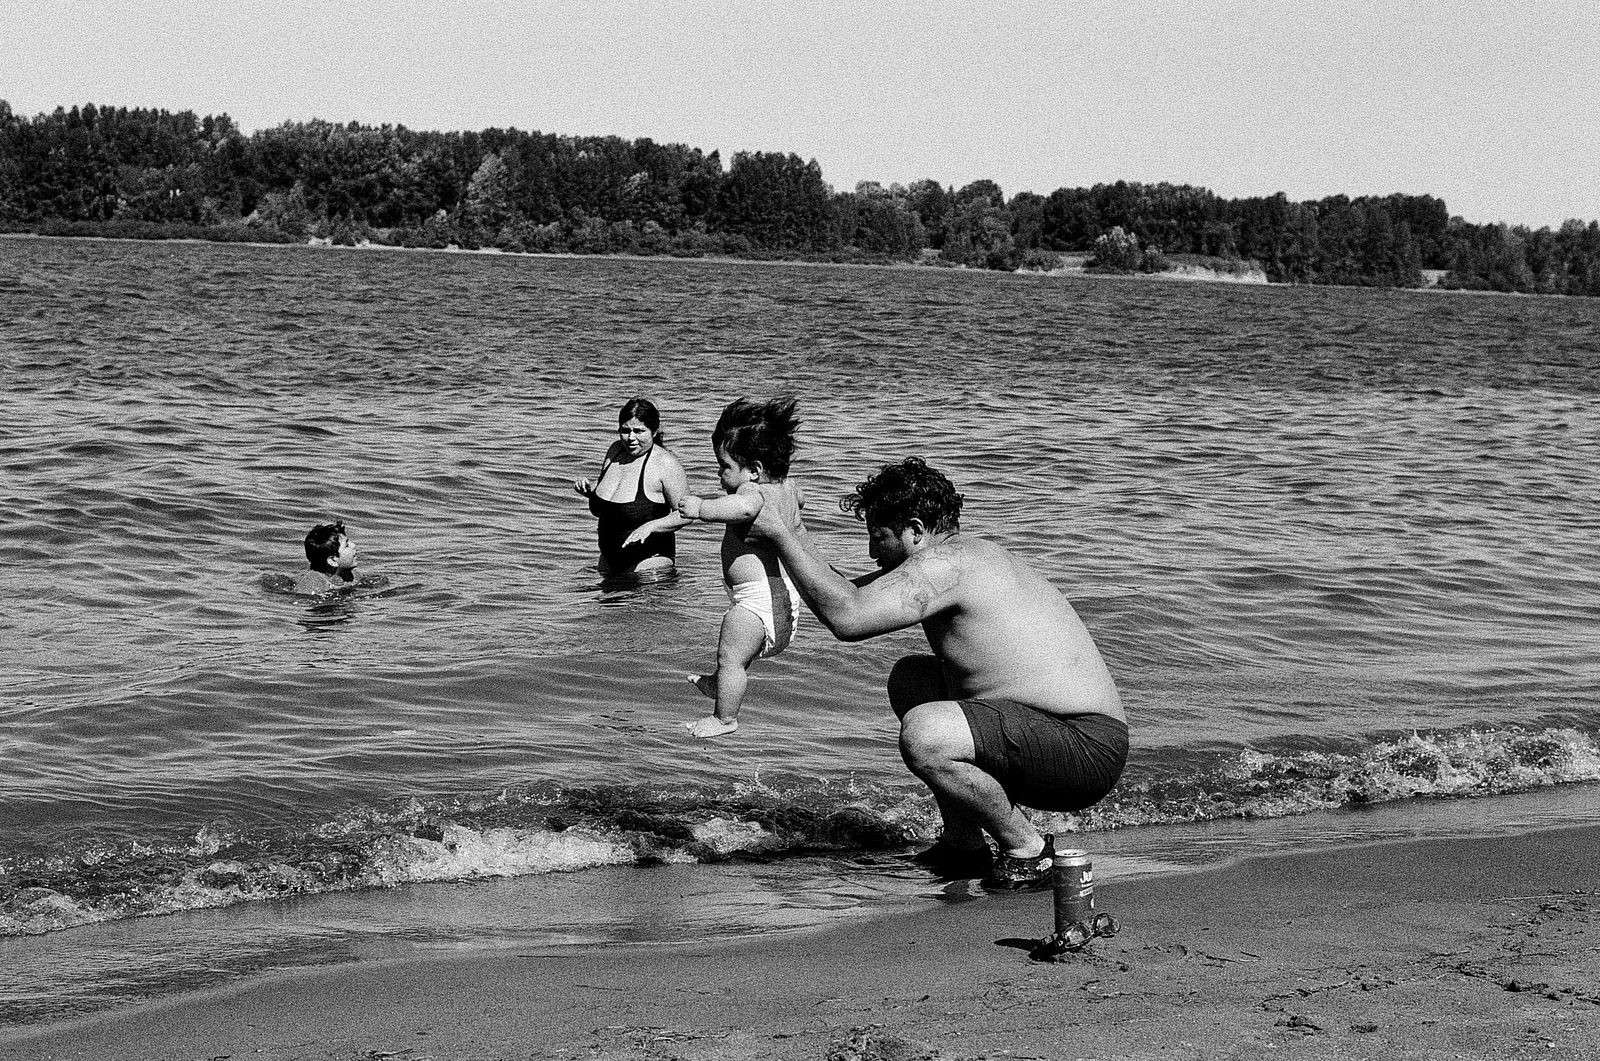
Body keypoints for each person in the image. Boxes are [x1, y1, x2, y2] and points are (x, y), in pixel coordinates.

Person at [747, 457, 1127, 889]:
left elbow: (847, 618)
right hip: (1051, 735)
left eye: (878, 537)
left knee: (926, 733)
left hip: (1083, 746)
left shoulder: (949, 565)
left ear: (914, 530)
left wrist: (781, 535)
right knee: (912, 679)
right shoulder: (957, 559)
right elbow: (845, 595)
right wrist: (794, 530)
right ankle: (963, 845)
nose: (871, 552)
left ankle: (1029, 851)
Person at [676, 397, 806, 739]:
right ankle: (719, 683)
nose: (719, 474)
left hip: (758, 604)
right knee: (733, 656)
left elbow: (746, 507)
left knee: (731, 654)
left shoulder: (751, 491)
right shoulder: (787, 488)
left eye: (724, 466)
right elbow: (798, 499)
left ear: (755, 470)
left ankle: (725, 718)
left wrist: (702, 508)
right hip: (781, 601)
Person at [573, 397, 689, 576]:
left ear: (654, 431)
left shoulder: (665, 463)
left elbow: (686, 513)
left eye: (639, 431)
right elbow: (613, 498)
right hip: (609, 561)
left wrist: (651, 526)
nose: (631, 438)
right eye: (625, 431)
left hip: (649, 563)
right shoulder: (615, 451)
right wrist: (589, 490)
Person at [293, 520, 357, 595]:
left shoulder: (354, 575)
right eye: (347, 545)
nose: (354, 545)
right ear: (332, 560)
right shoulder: (311, 585)